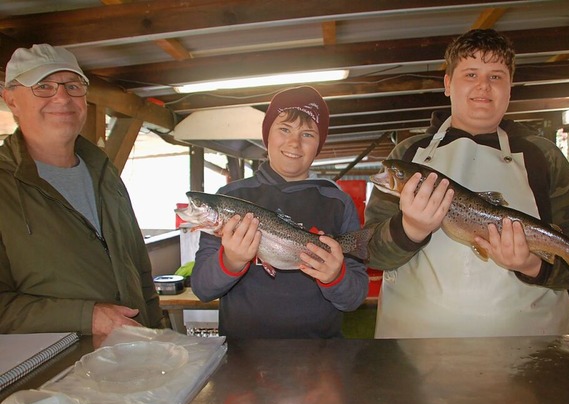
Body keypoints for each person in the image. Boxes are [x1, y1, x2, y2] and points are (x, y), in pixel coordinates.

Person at [364, 29, 569, 338]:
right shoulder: (409, 154)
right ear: (448, 84)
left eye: (496, 76)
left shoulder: (543, 155)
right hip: (416, 349)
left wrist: (533, 264)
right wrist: (410, 228)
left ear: (510, 87)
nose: (483, 86)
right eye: (471, 74)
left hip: (530, 352)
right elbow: (370, 251)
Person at [0, 44, 165, 343]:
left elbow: (141, 273)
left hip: (135, 364)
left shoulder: (105, 173)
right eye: (44, 86)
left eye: (73, 86)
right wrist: (88, 316)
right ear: (10, 99)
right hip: (54, 377)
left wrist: (161, 339)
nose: (62, 97)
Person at [190, 85, 369, 338]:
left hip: (320, 356)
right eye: (284, 129)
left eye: (308, 134)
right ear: (267, 136)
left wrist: (335, 276)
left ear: (319, 144)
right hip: (244, 356)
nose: (294, 142)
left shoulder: (337, 202)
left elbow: (354, 297)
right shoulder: (229, 199)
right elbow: (202, 289)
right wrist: (230, 261)